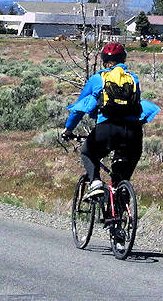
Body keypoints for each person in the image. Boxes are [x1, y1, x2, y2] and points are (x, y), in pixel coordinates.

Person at [62, 43, 148, 200]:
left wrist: (68, 129)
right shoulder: (133, 78)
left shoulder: (97, 79)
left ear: (103, 60)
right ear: (123, 59)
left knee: (88, 152)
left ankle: (95, 183)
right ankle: (122, 203)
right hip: (132, 132)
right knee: (122, 173)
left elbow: (79, 108)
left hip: (107, 128)